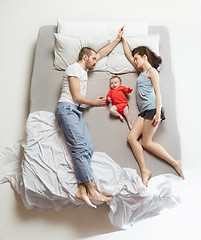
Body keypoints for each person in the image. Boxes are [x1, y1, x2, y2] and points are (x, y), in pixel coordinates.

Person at [55, 27, 124, 208]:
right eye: (93, 59)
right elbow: (76, 97)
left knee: (88, 147)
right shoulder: (73, 69)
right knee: (79, 147)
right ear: (85, 57)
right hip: (67, 108)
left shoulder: (85, 67)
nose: (96, 61)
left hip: (75, 112)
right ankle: (91, 188)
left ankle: (81, 189)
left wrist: (117, 39)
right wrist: (94, 102)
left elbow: (101, 53)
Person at [121, 32, 184, 187]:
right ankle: (145, 170)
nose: (134, 62)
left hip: (152, 109)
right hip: (144, 112)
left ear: (144, 57)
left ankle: (175, 163)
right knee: (131, 138)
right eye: (134, 60)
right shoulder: (141, 72)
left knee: (147, 142)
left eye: (137, 59)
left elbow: (157, 92)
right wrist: (122, 39)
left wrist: (157, 113)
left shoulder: (152, 72)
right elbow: (129, 55)